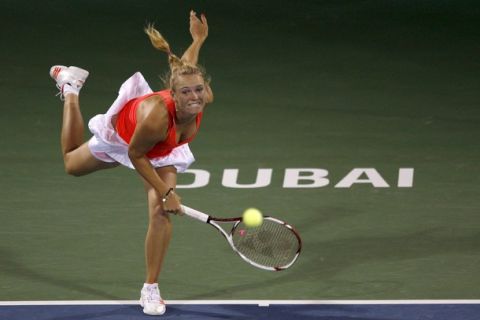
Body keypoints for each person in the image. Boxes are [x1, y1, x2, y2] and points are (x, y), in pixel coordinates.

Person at [49, 11, 212, 316]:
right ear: (173, 95)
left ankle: (150, 288)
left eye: (199, 90)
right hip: (127, 140)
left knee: (160, 212)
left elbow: (186, 68)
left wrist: (198, 39)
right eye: (186, 92)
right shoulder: (156, 118)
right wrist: (166, 191)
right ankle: (71, 89)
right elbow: (137, 155)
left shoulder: (200, 94)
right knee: (71, 162)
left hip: (164, 148)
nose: (195, 97)